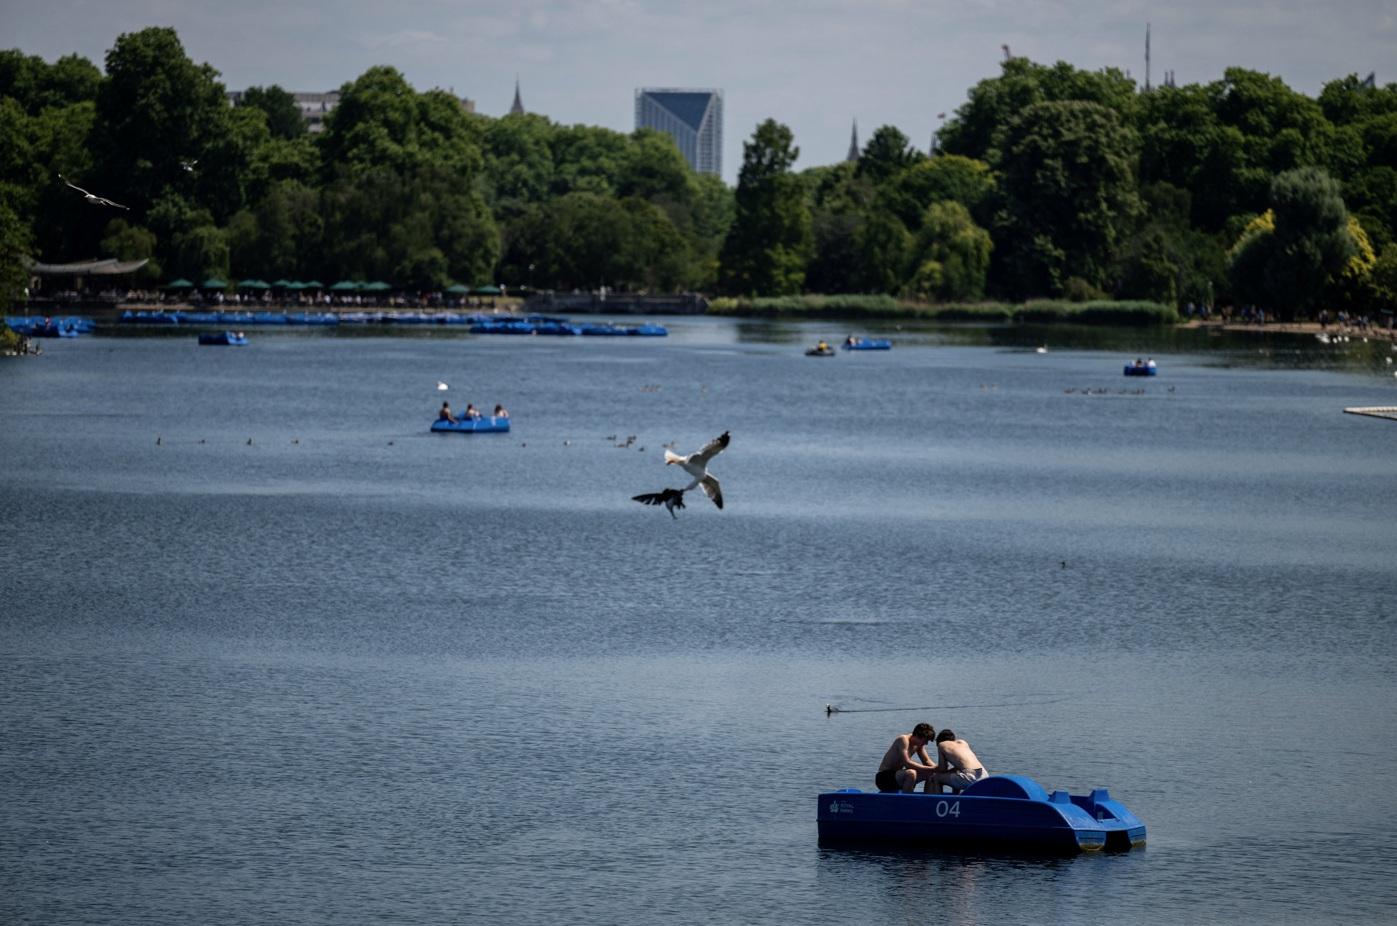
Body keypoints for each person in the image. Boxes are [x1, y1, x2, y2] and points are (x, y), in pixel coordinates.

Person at [875, 723, 940, 793]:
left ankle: (928, 798)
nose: (926, 743)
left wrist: (940, 769)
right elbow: (907, 763)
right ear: (917, 736)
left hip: (898, 776)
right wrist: (931, 768)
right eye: (925, 741)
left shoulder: (919, 745)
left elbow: (927, 761)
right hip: (883, 778)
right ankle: (907, 801)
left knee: (931, 774)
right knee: (911, 773)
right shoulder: (903, 740)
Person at [929, 728, 987, 793]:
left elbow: (942, 769)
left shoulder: (941, 744)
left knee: (936, 778)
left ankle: (937, 801)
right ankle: (955, 798)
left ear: (939, 741)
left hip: (969, 777)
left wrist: (931, 770)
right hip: (984, 776)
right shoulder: (963, 742)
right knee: (956, 773)